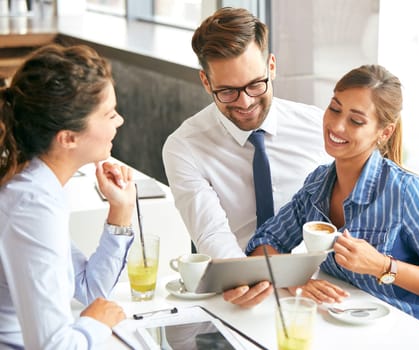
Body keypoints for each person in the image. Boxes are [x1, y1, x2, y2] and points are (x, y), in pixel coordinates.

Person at [242, 64, 419, 332]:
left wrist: (381, 266)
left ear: (384, 132)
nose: (337, 125)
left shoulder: (406, 193)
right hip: (349, 330)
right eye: (335, 108)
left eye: (356, 120)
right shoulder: (318, 184)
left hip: (415, 332)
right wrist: (295, 281)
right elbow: (265, 242)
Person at [162, 7, 329, 259]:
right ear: (206, 82)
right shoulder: (185, 147)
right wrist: (264, 280)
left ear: (271, 66)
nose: (245, 102)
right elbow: (211, 235)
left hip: (317, 281)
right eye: (227, 91)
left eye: (255, 84)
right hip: (235, 283)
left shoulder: (316, 127)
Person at [0, 44, 136, 349]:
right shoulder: (31, 206)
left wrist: (121, 210)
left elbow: (89, 291)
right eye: (110, 114)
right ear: (68, 138)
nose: (120, 121)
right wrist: (96, 323)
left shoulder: (37, 186)